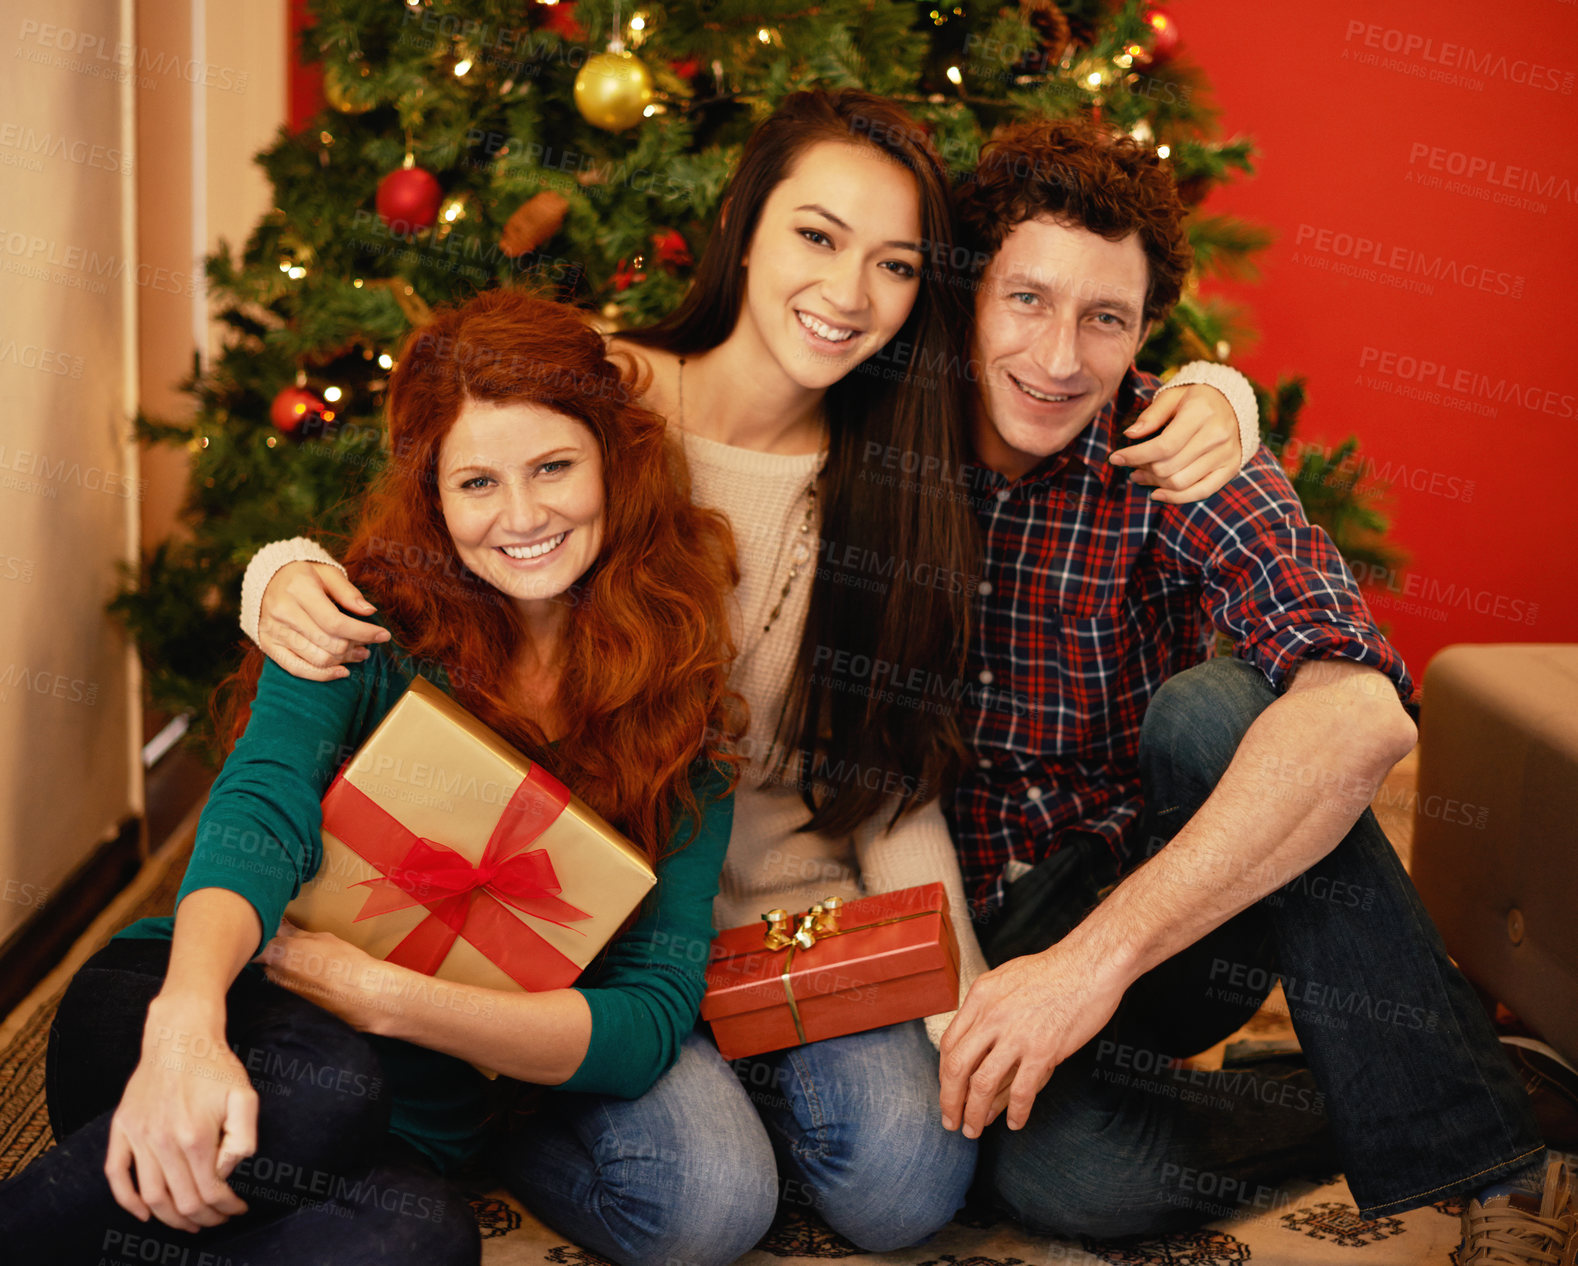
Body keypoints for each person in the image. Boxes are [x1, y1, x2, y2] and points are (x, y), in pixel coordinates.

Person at [235, 91, 1259, 1258]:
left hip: (793, 923)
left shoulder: (900, 470)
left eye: (895, 265)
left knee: (909, 1187)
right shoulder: (604, 393)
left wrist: (962, 1005)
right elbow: (427, 528)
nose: (848, 294)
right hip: (598, 928)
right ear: (744, 225)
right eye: (816, 237)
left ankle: (737, 1089)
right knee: (704, 1208)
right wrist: (274, 575)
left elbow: (894, 776)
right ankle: (527, 1106)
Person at [929, 116, 1570, 1265]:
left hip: (1162, 919)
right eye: (1027, 299)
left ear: (1145, 337)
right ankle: (1421, 1079)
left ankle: (1497, 1160)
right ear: (967, 293)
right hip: (950, 911)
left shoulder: (1172, 447)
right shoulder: (881, 433)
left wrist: (1093, 963)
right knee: (1069, 1180)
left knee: (1225, 711)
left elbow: (1365, 708)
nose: (1061, 356)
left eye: (1106, 319)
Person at [0, 290, 743, 1266]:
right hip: (189, 1006)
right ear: (432, 494)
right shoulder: (362, 627)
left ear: (614, 460)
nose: (521, 516)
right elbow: (260, 808)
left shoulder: (679, 703)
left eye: (554, 466)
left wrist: (373, 992)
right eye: (476, 482)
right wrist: (186, 1019)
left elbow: (649, 1017)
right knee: (318, 1084)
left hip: (399, 1113)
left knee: (423, 1239)